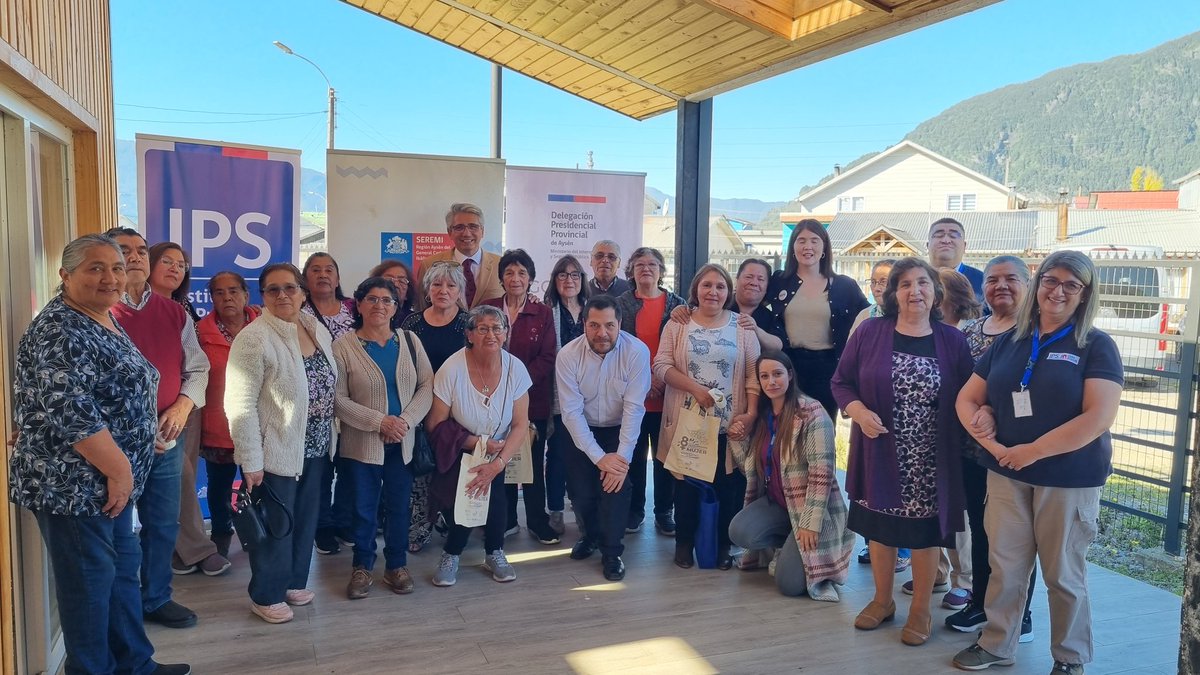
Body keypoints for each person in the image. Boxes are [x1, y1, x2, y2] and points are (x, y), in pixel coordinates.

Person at [8, 234, 190, 675]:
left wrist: (142, 436)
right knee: (89, 587)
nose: (111, 277)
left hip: (110, 484)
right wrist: (121, 470)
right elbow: (73, 415)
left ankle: (134, 664)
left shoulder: (100, 316)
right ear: (65, 275)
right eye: (95, 268)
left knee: (122, 573)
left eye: (117, 267)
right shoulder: (60, 328)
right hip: (76, 485)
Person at [952, 251, 1122, 674]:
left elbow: (1097, 418)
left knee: (1063, 573)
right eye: (1051, 280)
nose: (1058, 291)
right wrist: (990, 438)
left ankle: (1070, 657)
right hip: (1006, 471)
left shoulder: (1096, 345)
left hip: (1067, 478)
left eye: (1071, 284)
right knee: (1005, 566)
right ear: (1038, 284)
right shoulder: (1010, 341)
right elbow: (967, 398)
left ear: (1085, 294)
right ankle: (997, 644)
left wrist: (1031, 451)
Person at [831, 256, 973, 647]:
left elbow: (969, 395)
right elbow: (841, 382)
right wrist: (859, 412)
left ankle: (921, 609)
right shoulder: (870, 332)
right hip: (879, 449)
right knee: (881, 530)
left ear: (936, 292)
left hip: (930, 457)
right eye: (905, 284)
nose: (915, 291)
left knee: (925, 536)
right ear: (893, 293)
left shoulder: (953, 341)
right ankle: (882, 601)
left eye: (923, 283)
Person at [106, 227, 210, 631]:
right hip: (112, 444)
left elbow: (197, 368)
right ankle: (122, 608)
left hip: (167, 438)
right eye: (124, 250)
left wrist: (183, 405)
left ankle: (156, 598)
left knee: (163, 524)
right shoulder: (98, 311)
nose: (134, 257)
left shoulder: (174, 312)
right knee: (117, 530)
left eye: (140, 250)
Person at [226, 263, 337, 624]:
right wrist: (250, 459)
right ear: (263, 296)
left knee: (304, 520)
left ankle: (293, 582)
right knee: (277, 525)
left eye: (290, 287)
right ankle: (266, 594)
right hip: (276, 450)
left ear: (303, 292)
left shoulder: (314, 327)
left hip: (317, 446)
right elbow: (240, 404)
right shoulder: (254, 338)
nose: (282, 295)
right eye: (273, 289)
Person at [945, 255, 1038, 641]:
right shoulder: (969, 330)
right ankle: (981, 603)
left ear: (1028, 284)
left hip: (1012, 453)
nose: (1001, 286)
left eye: (1010, 278)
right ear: (982, 288)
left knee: (1016, 537)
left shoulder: (1035, 333)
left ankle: (1021, 614)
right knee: (981, 530)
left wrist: (990, 409)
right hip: (971, 450)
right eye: (993, 279)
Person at [654, 263, 760, 570]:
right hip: (687, 424)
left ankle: (723, 546)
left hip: (729, 426)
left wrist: (751, 414)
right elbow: (660, 366)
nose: (713, 292)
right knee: (687, 487)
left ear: (729, 292)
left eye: (720, 286)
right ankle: (684, 544)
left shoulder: (742, 326)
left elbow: (753, 375)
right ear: (696, 290)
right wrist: (696, 389)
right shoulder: (678, 324)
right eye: (707, 285)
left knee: (727, 488)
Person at [334, 277, 434, 599]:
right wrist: (379, 422)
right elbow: (338, 399)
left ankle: (396, 565)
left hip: (402, 443)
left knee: (399, 507)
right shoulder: (343, 346)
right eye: (372, 299)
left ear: (395, 306)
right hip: (361, 445)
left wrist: (404, 422)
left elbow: (426, 386)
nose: (379, 305)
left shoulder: (410, 341)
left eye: (387, 300)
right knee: (364, 509)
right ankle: (362, 566)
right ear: (359, 304)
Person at [729, 351, 854, 600]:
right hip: (780, 504)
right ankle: (788, 543)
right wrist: (737, 438)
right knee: (739, 531)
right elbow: (750, 468)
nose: (771, 382)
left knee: (789, 585)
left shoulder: (812, 412)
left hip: (813, 511)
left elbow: (822, 474)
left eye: (777, 374)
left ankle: (808, 549)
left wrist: (810, 522)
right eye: (764, 376)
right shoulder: (763, 416)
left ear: (790, 375)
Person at [425, 305, 532, 586]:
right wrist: (475, 443)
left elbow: (521, 423)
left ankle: (494, 552)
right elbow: (435, 423)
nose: (491, 335)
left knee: (496, 498)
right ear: (470, 334)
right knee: (468, 498)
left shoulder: (516, 368)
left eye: (497, 328)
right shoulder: (452, 368)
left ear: (506, 333)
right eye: (483, 329)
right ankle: (452, 554)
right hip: (460, 450)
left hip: (499, 450)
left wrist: (498, 463)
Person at [147, 242, 232, 579]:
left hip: (188, 404)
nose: (175, 268)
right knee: (178, 478)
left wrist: (186, 402)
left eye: (181, 264)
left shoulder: (181, 308)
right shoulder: (124, 308)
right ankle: (197, 548)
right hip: (150, 412)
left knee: (183, 478)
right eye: (166, 261)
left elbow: (196, 364)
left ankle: (179, 550)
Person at [558, 296, 652, 580]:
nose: (602, 333)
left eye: (609, 325)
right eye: (595, 325)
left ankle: (612, 553)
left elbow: (634, 409)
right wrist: (599, 458)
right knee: (581, 491)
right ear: (584, 324)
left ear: (620, 324)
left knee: (615, 488)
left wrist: (619, 461)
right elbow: (571, 413)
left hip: (620, 429)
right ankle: (590, 536)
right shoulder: (568, 355)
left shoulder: (637, 351)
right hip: (581, 428)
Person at [483, 249, 560, 544]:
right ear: (501, 278)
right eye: (509, 272)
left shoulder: (543, 313)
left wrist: (516, 382)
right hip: (493, 401)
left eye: (522, 273)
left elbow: (548, 356)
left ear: (530, 279)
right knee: (501, 459)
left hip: (532, 400)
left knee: (532, 464)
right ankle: (507, 520)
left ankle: (538, 521)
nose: (515, 278)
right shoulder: (489, 308)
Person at [765, 219, 868, 419]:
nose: (808, 246)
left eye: (814, 240)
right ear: (793, 247)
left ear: (824, 247)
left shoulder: (845, 286)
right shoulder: (779, 281)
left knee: (823, 427)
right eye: (801, 240)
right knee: (787, 426)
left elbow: (869, 317)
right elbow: (752, 302)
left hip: (828, 368)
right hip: (788, 366)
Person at [400, 261, 471, 553]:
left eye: (451, 285)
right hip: (420, 408)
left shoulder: (469, 323)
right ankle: (420, 529)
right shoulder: (411, 324)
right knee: (421, 472)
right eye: (437, 284)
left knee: (454, 472)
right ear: (427, 290)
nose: (443, 290)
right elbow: (404, 368)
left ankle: (456, 529)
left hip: (459, 410)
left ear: (460, 291)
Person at [615, 247, 685, 536]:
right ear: (631, 271)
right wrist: (646, 380)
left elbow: (684, 348)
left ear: (661, 270)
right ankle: (634, 510)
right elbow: (616, 349)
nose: (646, 268)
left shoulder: (678, 306)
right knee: (633, 456)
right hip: (633, 395)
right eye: (640, 264)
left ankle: (664, 511)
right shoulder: (619, 304)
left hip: (669, 394)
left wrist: (662, 378)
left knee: (665, 457)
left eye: (652, 264)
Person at [847, 258, 911, 575]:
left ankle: (903, 548)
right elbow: (848, 365)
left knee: (902, 485)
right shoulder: (865, 317)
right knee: (870, 482)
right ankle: (872, 542)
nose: (877, 287)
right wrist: (855, 405)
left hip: (907, 422)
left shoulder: (912, 320)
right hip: (867, 412)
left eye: (884, 281)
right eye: (874, 281)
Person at [195, 272, 261, 560]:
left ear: (246, 294)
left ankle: (259, 537)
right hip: (218, 426)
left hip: (258, 427)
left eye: (233, 291)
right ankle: (221, 534)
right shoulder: (200, 332)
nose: (227, 298)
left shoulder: (264, 326)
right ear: (212, 298)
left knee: (258, 487)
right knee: (219, 487)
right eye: (219, 292)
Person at [301, 251, 357, 555]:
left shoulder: (354, 308)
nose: (323, 275)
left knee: (351, 466)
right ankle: (321, 526)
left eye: (328, 270)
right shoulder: (298, 311)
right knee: (319, 470)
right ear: (305, 278)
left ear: (337, 278)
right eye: (315, 270)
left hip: (354, 399)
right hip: (315, 406)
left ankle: (344, 520)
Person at [543, 254, 590, 534]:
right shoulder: (546, 311)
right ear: (554, 280)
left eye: (574, 274)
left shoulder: (593, 309)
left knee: (584, 455)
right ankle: (556, 510)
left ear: (582, 279)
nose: (569, 280)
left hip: (591, 396)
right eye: (563, 274)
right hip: (559, 395)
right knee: (558, 455)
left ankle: (583, 510)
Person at [419, 202, 503, 308]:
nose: (467, 233)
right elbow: (422, 307)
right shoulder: (429, 265)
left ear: (482, 231)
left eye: (473, 227)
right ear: (449, 232)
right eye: (459, 227)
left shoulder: (501, 265)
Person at [927, 217, 983, 299]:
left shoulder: (982, 281)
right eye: (939, 235)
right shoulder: (913, 279)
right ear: (927, 245)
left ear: (964, 246)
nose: (946, 240)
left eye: (953, 236)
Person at [148, 242, 201, 321]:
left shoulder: (184, 304)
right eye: (166, 261)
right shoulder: (136, 303)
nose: (175, 269)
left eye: (181, 266)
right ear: (149, 264)